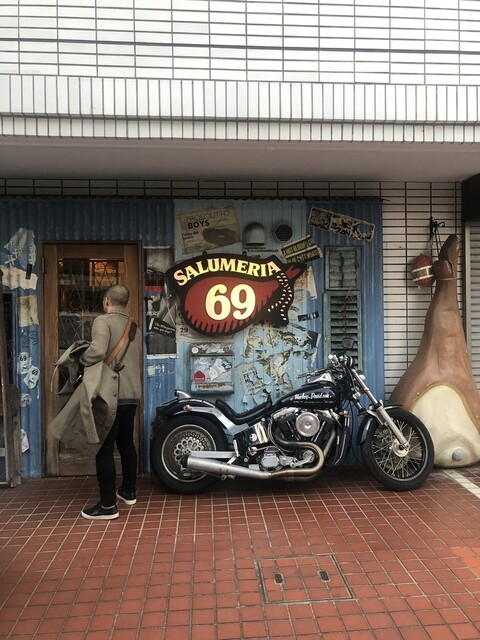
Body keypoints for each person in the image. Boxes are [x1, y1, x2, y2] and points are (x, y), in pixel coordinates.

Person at [80, 284, 142, 521]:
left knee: (104, 450)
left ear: (106, 301)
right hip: (131, 395)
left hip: (110, 395)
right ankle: (128, 491)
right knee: (126, 443)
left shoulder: (102, 322)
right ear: (126, 302)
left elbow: (97, 351)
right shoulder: (134, 326)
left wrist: (80, 357)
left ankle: (108, 506)